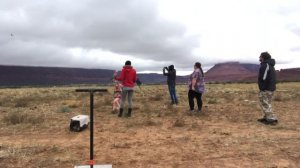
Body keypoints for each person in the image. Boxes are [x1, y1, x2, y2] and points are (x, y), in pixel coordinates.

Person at [257, 52, 278, 125]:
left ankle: (271, 119)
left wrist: (262, 87)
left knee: (265, 103)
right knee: (266, 103)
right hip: (270, 87)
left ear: (263, 57)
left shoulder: (265, 65)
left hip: (266, 88)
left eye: (260, 56)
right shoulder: (270, 65)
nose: (259, 58)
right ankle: (266, 117)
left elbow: (264, 77)